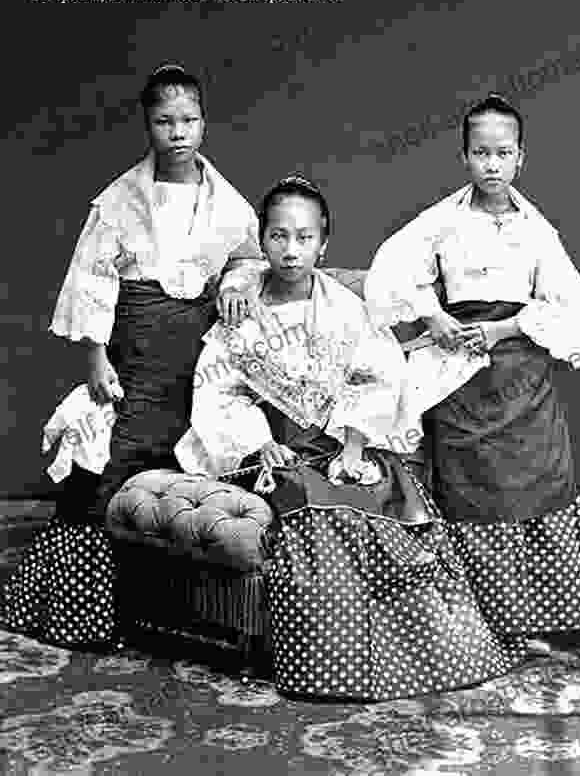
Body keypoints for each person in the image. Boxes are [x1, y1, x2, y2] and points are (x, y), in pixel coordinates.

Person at [175, 173, 528, 700]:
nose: (291, 251)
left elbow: (377, 376)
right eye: (278, 236)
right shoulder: (242, 309)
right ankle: (330, 661)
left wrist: (354, 448)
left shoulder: (346, 308)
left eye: (304, 238)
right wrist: (256, 442)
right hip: (263, 450)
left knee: (390, 491)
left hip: (338, 441)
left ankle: (424, 652)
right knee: (315, 503)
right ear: (263, 238)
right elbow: (217, 391)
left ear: (323, 241)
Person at [364, 93, 580, 647]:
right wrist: (435, 317)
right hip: (460, 376)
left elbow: (565, 304)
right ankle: (480, 618)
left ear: (521, 157)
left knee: (535, 483)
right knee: (470, 489)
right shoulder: (440, 223)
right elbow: (391, 273)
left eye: (503, 153)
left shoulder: (537, 231)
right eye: (481, 153)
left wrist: (502, 330)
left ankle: (546, 615)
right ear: (464, 157)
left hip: (521, 375)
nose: (492, 165)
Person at [2, 64, 264, 647]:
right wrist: (95, 358)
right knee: (113, 460)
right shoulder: (120, 201)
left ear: (204, 122)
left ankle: (176, 602)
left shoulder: (225, 200)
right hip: (140, 345)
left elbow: (250, 257)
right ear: (147, 125)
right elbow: (94, 282)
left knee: (190, 453)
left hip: (200, 352)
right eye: (165, 121)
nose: (178, 132)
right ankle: (84, 610)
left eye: (189, 120)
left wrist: (235, 284)